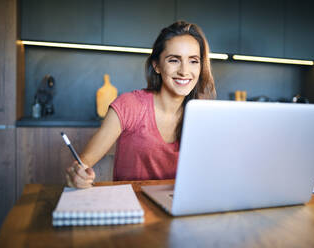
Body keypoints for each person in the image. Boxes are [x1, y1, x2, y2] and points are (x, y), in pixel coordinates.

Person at [66, 21, 216, 188]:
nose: (184, 71)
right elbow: (85, 161)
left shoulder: (203, 113)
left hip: (178, 206)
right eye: (174, 60)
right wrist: (78, 173)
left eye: (193, 61)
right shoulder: (129, 105)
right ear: (157, 65)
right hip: (131, 206)